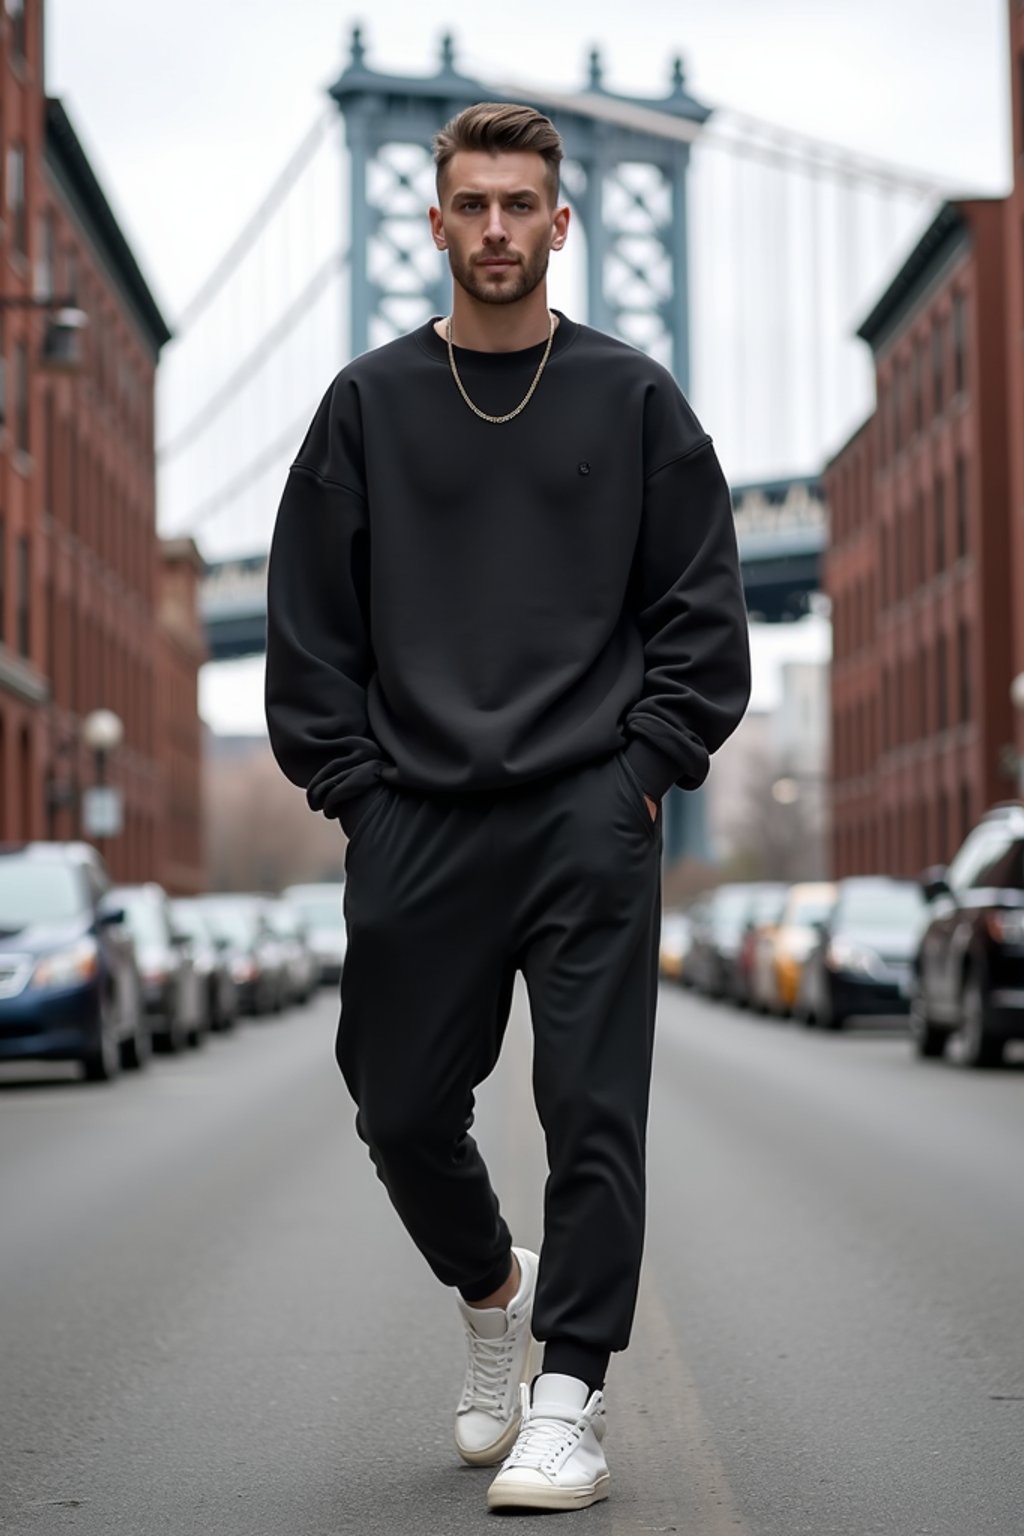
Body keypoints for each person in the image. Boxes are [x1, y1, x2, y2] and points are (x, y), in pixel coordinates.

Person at [265, 101, 750, 1514]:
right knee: (400, 1108)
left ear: (561, 221)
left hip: (589, 815)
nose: (494, 230)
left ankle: (568, 1397)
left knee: (594, 1112)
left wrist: (644, 768)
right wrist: (356, 792)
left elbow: (701, 613)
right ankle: (494, 1295)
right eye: (469, 205)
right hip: (416, 813)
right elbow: (310, 628)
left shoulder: (636, 398)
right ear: (433, 224)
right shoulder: (365, 404)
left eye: (518, 206)